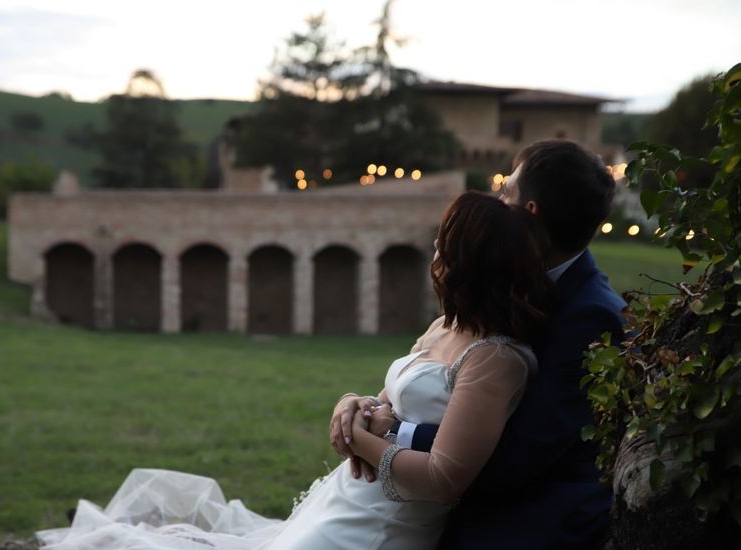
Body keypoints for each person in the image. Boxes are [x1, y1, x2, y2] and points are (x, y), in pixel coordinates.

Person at [37, 191, 553, 550]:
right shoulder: (444, 325)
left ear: (468, 261)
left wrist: (357, 438)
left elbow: (445, 478)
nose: (435, 251)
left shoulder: (496, 359)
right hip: (349, 495)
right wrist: (355, 404)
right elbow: (390, 403)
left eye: (445, 242)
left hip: (384, 525)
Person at [333, 139, 626, 549]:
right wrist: (359, 405)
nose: (497, 198)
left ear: (530, 212)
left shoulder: (589, 315)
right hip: (427, 494)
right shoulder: (502, 289)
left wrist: (394, 432)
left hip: (523, 520)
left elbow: (520, 454)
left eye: (506, 190)